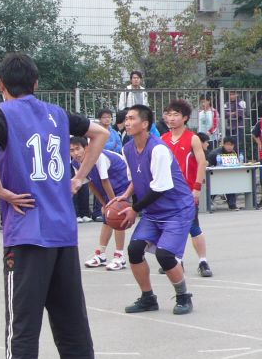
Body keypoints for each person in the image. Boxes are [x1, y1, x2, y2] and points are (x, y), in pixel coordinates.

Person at [0, 52, 106, 359]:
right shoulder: (57, 114)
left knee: (22, 324)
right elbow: (100, 133)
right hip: (62, 231)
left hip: (27, 233)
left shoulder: (2, 113)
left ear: (1, 84)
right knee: (71, 319)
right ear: (35, 83)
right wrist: (79, 177)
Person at [110, 105, 196, 315]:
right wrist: (126, 195)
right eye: (126, 119)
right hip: (153, 210)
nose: (127, 122)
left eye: (132, 118)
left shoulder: (158, 149)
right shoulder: (127, 148)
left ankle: (183, 296)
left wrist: (134, 209)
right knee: (134, 250)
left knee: (165, 255)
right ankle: (148, 298)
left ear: (145, 124)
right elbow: (136, 178)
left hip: (176, 209)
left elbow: (161, 187)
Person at [161, 99, 212, 277]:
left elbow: (202, 163)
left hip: (187, 191)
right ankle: (176, 261)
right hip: (168, 192)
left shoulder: (193, 138)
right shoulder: (163, 139)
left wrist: (197, 188)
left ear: (185, 118)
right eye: (169, 114)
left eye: (176, 115)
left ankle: (203, 261)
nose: (171, 118)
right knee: (171, 227)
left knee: (193, 226)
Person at [71, 137, 129, 271]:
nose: (75, 153)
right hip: (107, 187)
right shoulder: (75, 163)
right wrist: (104, 204)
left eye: (78, 149)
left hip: (122, 183)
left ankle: (119, 256)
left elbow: (105, 180)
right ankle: (101, 254)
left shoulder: (98, 156)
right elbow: (90, 183)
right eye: (72, 150)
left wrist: (113, 203)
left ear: (86, 148)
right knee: (107, 219)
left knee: (117, 216)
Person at [207, 137, 241, 210]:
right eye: (227, 144)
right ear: (223, 144)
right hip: (215, 176)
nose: (229, 147)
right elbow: (208, 166)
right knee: (217, 185)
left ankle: (232, 204)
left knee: (230, 183)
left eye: (231, 145)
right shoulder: (215, 154)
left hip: (229, 176)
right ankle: (208, 202)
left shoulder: (234, 153)